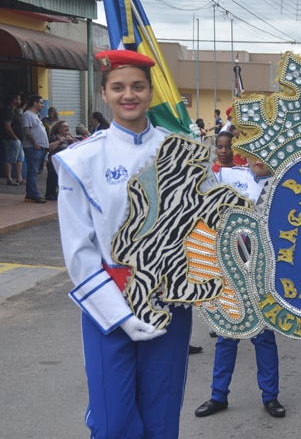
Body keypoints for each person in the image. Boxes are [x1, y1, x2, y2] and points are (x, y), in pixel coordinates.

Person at [53, 50, 192, 439]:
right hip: (107, 304)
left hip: (168, 297)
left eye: (137, 86)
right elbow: (79, 251)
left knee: (162, 420)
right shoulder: (80, 160)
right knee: (113, 424)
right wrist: (122, 316)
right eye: (118, 87)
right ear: (104, 93)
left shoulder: (181, 152)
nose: (128, 95)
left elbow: (206, 228)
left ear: (150, 92)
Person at [195, 141, 285, 419]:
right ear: (246, 154)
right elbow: (201, 180)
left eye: (267, 154)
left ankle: (270, 397)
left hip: (261, 273)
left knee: (263, 337)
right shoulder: (229, 175)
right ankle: (218, 395)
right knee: (226, 336)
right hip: (230, 270)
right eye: (257, 152)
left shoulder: (287, 186)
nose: (261, 159)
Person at [21, 94, 49, 204]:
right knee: (32, 171)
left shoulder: (35, 115)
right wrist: (35, 143)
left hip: (40, 147)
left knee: (35, 171)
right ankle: (34, 194)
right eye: (41, 102)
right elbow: (26, 131)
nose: (43, 105)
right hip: (34, 148)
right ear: (35, 103)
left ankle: (30, 193)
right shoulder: (27, 115)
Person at [45, 120, 76, 201]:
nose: (67, 128)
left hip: (66, 163)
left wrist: (72, 141)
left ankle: (63, 195)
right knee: (53, 179)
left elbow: (78, 148)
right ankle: (50, 194)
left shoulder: (71, 137)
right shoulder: (54, 137)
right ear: (59, 129)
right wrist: (59, 141)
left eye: (68, 126)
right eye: (65, 126)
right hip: (54, 162)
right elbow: (49, 148)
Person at [2, 92, 25, 186]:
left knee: (20, 158)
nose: (20, 101)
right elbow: (7, 125)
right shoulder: (8, 111)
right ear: (14, 100)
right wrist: (15, 138)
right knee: (10, 158)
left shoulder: (13, 110)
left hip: (17, 139)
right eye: (19, 99)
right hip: (11, 139)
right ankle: (9, 179)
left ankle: (19, 178)